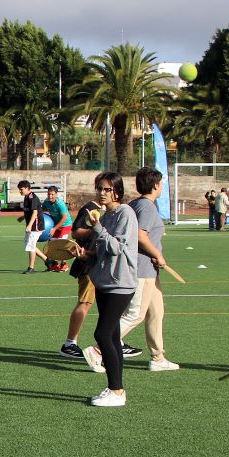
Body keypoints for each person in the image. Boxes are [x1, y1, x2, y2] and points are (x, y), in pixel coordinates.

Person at [73, 172, 138, 407]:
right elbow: (102, 251)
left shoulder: (125, 213)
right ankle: (116, 389)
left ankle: (117, 391)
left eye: (107, 189)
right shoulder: (108, 215)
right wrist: (85, 255)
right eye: (99, 188)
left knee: (102, 334)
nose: (101, 193)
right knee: (111, 335)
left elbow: (117, 248)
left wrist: (97, 226)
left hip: (120, 284)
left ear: (117, 192)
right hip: (105, 281)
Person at [118, 167, 178, 372]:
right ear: (155, 186)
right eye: (160, 183)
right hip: (142, 268)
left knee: (156, 312)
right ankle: (100, 348)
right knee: (136, 314)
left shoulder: (135, 204)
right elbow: (141, 235)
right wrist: (158, 255)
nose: (162, 187)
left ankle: (158, 357)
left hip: (148, 270)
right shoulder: (146, 207)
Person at [59, 177, 103, 359]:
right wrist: (97, 230)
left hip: (102, 263)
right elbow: (75, 231)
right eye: (102, 188)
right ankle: (69, 343)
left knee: (109, 305)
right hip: (88, 263)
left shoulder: (105, 209)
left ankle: (118, 340)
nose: (105, 192)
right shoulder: (91, 208)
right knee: (85, 303)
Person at [16, 180, 45, 274]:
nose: (20, 191)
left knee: (31, 246)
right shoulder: (26, 197)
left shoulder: (32, 198)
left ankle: (31, 268)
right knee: (29, 244)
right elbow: (29, 211)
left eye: (21, 189)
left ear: (28, 188)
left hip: (36, 226)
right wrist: (23, 217)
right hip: (31, 225)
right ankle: (48, 261)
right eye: (19, 190)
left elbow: (35, 213)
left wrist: (29, 226)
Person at [40, 186, 72, 272]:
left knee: (61, 244)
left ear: (56, 194)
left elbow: (64, 218)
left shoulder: (60, 204)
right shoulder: (46, 202)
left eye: (52, 194)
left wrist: (54, 228)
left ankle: (64, 264)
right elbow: (40, 211)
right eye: (49, 194)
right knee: (51, 244)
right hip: (55, 224)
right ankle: (55, 265)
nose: (50, 196)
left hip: (65, 225)